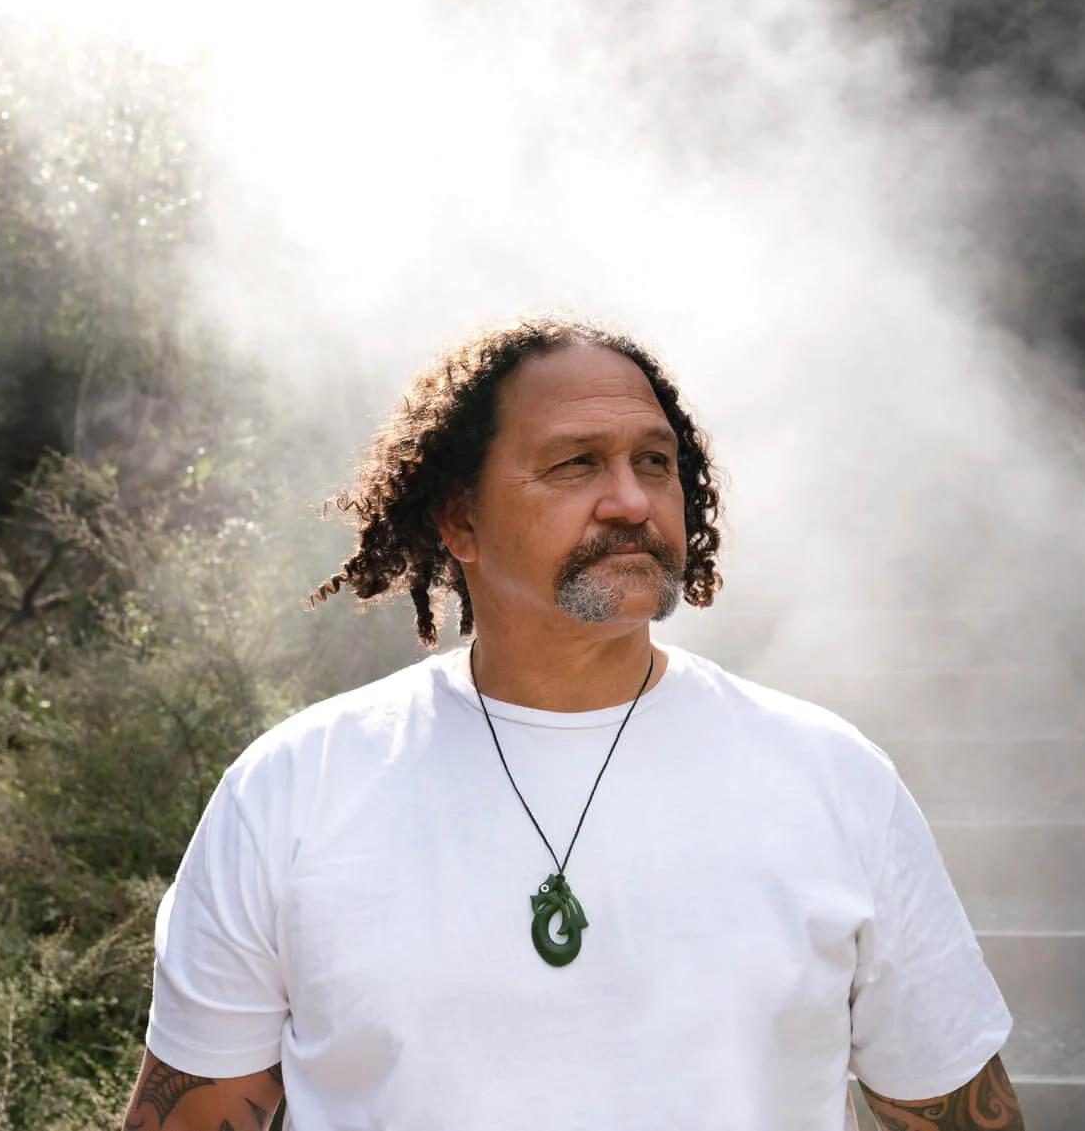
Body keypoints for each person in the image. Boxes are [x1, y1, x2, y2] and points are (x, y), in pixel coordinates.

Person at [120, 317, 1021, 1131]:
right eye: (577, 463)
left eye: (655, 462)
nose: (631, 499)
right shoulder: (290, 790)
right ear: (460, 519)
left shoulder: (836, 779)